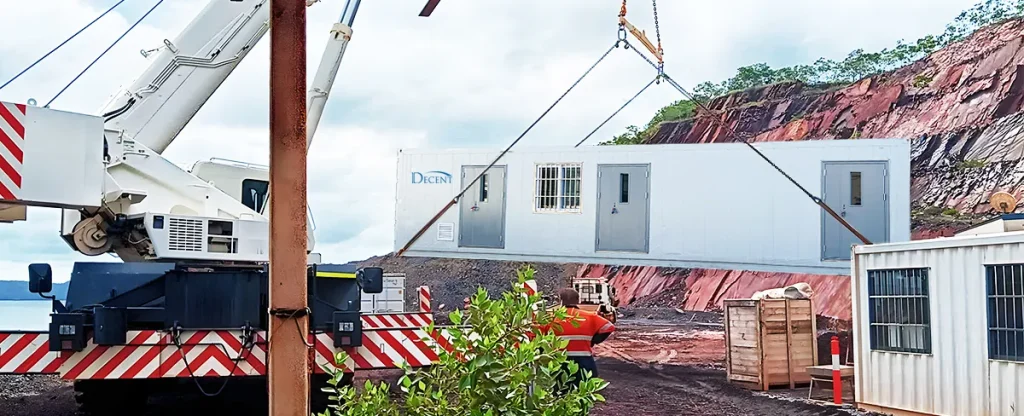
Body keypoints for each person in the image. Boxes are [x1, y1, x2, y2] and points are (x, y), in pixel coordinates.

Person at [541, 287, 615, 392]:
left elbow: (538, 334)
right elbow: (609, 327)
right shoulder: (590, 317)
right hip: (584, 362)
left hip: (560, 362)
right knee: (584, 392)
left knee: (560, 392)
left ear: (560, 301)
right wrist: (594, 340)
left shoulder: (552, 319)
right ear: (578, 300)